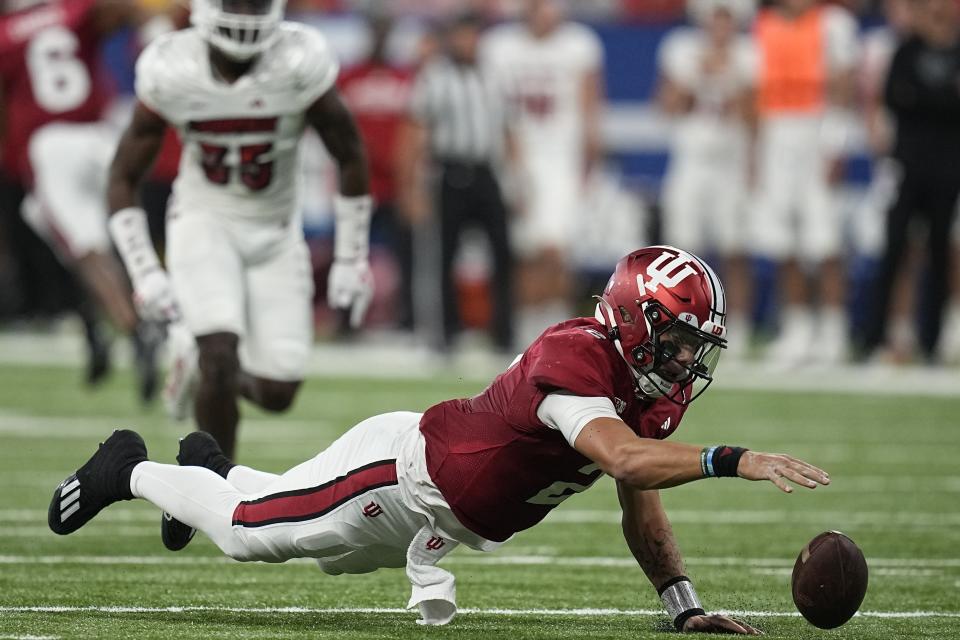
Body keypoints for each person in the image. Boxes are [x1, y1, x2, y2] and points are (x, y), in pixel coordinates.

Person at [48, 245, 829, 634]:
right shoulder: (577, 356)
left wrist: (683, 607)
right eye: (678, 339)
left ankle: (212, 469)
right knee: (250, 537)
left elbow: (640, 494)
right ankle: (130, 468)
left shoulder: (648, 392)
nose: (688, 359)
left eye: (698, 344)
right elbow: (621, 457)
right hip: (399, 479)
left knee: (303, 544)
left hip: (437, 519)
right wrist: (734, 461)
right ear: (632, 319)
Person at [105, 0, 372, 549]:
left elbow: (349, 153)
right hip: (204, 221)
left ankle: (197, 362)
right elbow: (123, 176)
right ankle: (207, 489)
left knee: (278, 392)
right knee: (221, 351)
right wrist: (144, 269)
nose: (245, 12)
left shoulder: (297, 58)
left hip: (275, 232)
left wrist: (351, 255)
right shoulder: (173, 66)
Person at [0, 0, 161, 390]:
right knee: (69, 226)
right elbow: (123, 10)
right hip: (98, 136)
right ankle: (95, 328)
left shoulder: (6, 35)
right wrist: (154, 34)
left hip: (50, 146)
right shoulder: (73, 10)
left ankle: (134, 328)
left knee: (83, 249)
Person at [480, 0, 605, 346]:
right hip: (517, 156)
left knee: (557, 248)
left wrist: (590, 160)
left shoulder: (579, 44)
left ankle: (555, 332)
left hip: (560, 157)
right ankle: (525, 330)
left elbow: (591, 104)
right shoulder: (499, 46)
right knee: (524, 250)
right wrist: (509, 160)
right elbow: (495, 110)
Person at [749, 0, 859, 367]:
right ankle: (797, 329)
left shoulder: (833, 24)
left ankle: (833, 330)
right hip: (776, 136)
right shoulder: (762, 24)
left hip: (816, 130)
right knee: (783, 240)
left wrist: (836, 140)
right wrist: (755, 151)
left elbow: (844, 85)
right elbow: (756, 92)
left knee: (824, 239)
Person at [398, 11, 515, 353]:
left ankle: (503, 332)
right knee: (444, 256)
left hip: (486, 172)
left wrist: (519, 180)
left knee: (502, 253)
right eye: (461, 36)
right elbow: (416, 132)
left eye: (471, 36)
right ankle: (446, 333)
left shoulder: (494, 76)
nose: (466, 43)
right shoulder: (435, 77)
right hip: (450, 173)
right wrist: (412, 187)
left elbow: (508, 130)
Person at [656, 0, 756, 359]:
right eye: (715, 17)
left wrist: (731, 78)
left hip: (731, 161)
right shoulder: (680, 50)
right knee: (682, 253)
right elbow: (666, 105)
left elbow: (754, 116)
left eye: (726, 18)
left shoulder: (749, 54)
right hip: (691, 160)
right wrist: (697, 76)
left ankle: (739, 328)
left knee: (735, 248)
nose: (720, 26)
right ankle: (680, 328)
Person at [861, 0, 960, 363]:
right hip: (908, 166)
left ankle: (931, 341)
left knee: (938, 253)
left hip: (947, 171)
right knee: (894, 251)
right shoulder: (908, 49)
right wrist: (943, 99)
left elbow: (911, 98)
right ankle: (877, 336)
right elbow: (894, 97)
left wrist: (922, 99)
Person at [338, 11, 415, 331]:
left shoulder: (406, 78)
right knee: (350, 255)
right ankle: (345, 320)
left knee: (406, 255)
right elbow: (336, 128)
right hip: (360, 182)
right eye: (377, 31)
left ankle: (407, 318)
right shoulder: (350, 77)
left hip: (397, 183)